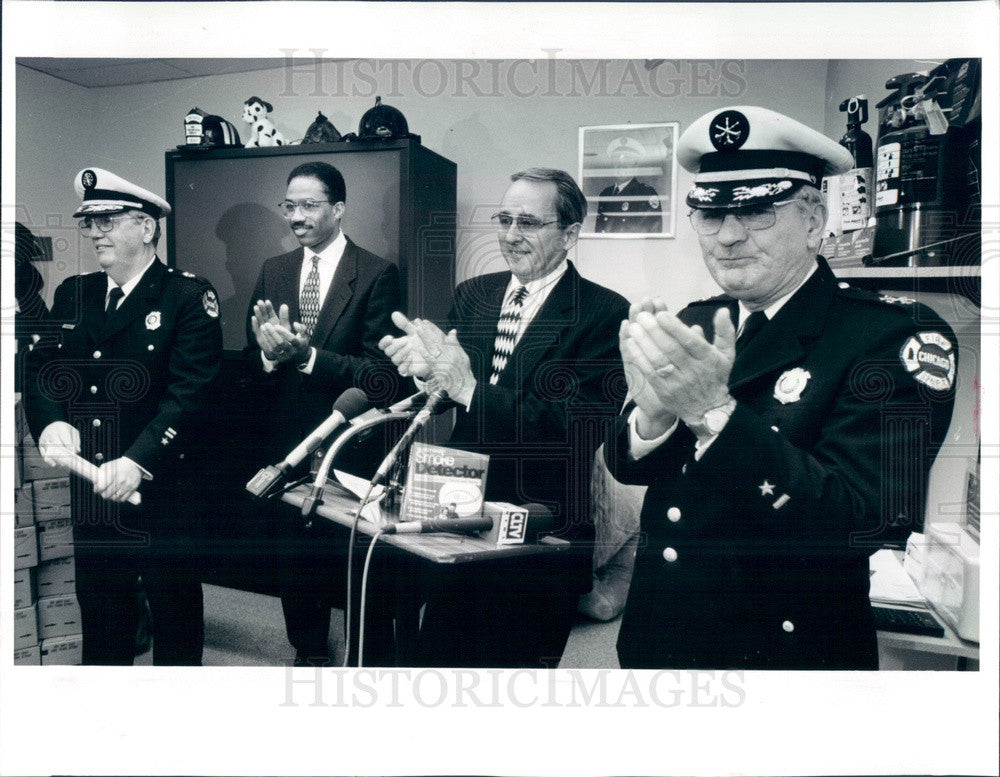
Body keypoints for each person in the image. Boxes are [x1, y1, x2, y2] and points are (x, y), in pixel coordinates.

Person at [606, 106, 958, 669]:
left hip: (779, 652)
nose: (728, 236)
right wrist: (652, 419)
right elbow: (632, 469)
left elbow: (863, 519)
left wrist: (711, 413)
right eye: (712, 213)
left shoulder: (894, 335)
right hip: (661, 630)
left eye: (757, 211)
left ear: (815, 217)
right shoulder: (700, 319)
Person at [379, 168, 628, 667]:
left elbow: (579, 427)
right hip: (457, 510)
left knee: (515, 680)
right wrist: (427, 373)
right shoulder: (474, 293)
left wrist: (469, 386)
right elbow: (452, 389)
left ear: (569, 234)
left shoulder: (605, 312)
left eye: (529, 223)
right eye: (505, 219)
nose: (510, 236)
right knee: (439, 660)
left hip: (542, 528)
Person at [22, 168, 223, 665]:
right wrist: (49, 420)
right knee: (102, 609)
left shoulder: (188, 297)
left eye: (107, 221)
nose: (94, 234)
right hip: (92, 484)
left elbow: (190, 394)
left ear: (147, 227)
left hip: (160, 484)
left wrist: (136, 460)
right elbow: (41, 368)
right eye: (89, 224)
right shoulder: (76, 292)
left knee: (174, 610)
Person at [245, 161, 402, 666]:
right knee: (295, 559)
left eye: (309, 205)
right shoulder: (274, 269)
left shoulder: (377, 273)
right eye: (289, 206)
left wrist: (309, 356)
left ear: (338, 209)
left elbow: (382, 374)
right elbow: (258, 354)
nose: (296, 216)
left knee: (354, 560)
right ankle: (308, 651)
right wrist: (270, 353)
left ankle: (367, 661)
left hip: (351, 441)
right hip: (288, 440)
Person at [595, 136, 663, 234]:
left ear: (635, 167)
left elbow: (654, 236)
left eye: (626, 165)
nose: (620, 168)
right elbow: (598, 232)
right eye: (617, 163)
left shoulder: (645, 194)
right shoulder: (605, 194)